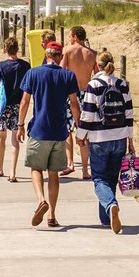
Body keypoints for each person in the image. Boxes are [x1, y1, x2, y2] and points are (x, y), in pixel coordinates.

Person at [18, 41, 80, 229]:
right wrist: (80, 128)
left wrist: (20, 125)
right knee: (54, 174)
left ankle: (41, 200)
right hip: (59, 132)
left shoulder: (33, 73)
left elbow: (25, 102)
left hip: (38, 130)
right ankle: (52, 215)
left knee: (36, 168)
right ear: (60, 57)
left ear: (46, 55)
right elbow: (74, 103)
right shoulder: (68, 75)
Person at [76, 49, 134, 234]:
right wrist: (130, 140)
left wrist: (81, 135)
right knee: (111, 178)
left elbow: (88, 114)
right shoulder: (123, 84)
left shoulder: (94, 85)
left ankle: (110, 205)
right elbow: (129, 114)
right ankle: (106, 218)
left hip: (99, 138)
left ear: (97, 66)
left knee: (99, 178)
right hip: (120, 138)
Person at [0, 37, 30, 182]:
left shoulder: (1, 66)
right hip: (18, 105)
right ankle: (12, 172)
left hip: (3, 106)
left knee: (1, 135)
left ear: (5, 49)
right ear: (17, 49)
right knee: (15, 139)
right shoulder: (25, 66)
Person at [59, 25, 98, 179]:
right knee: (84, 131)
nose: (69, 38)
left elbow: (61, 71)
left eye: (70, 35)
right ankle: (85, 171)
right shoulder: (92, 53)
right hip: (86, 93)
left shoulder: (67, 51)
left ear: (75, 36)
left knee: (68, 129)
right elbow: (97, 74)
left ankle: (70, 163)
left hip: (71, 93)